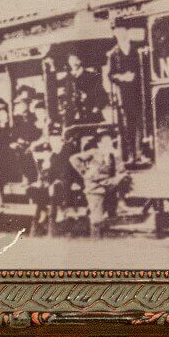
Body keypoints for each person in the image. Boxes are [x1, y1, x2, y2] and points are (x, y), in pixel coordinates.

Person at [69, 130, 121, 238]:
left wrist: (117, 156)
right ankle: (95, 243)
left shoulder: (112, 156)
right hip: (94, 188)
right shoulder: (93, 152)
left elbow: (121, 170)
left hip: (107, 188)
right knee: (97, 219)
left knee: (105, 217)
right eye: (105, 143)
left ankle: (101, 241)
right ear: (99, 144)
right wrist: (84, 172)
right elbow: (73, 159)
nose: (108, 145)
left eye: (110, 142)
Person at [106, 26, 144, 165]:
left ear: (126, 32)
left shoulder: (136, 49)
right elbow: (110, 75)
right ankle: (130, 156)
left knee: (140, 123)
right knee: (128, 126)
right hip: (124, 94)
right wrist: (122, 77)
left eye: (123, 31)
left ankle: (140, 153)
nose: (121, 34)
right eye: (118, 32)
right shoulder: (113, 54)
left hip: (139, 92)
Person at [61, 54, 108, 125]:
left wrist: (96, 108)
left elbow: (103, 96)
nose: (73, 63)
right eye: (71, 60)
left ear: (80, 61)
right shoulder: (68, 78)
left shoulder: (92, 76)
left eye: (76, 59)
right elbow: (66, 97)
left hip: (91, 116)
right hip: (73, 119)